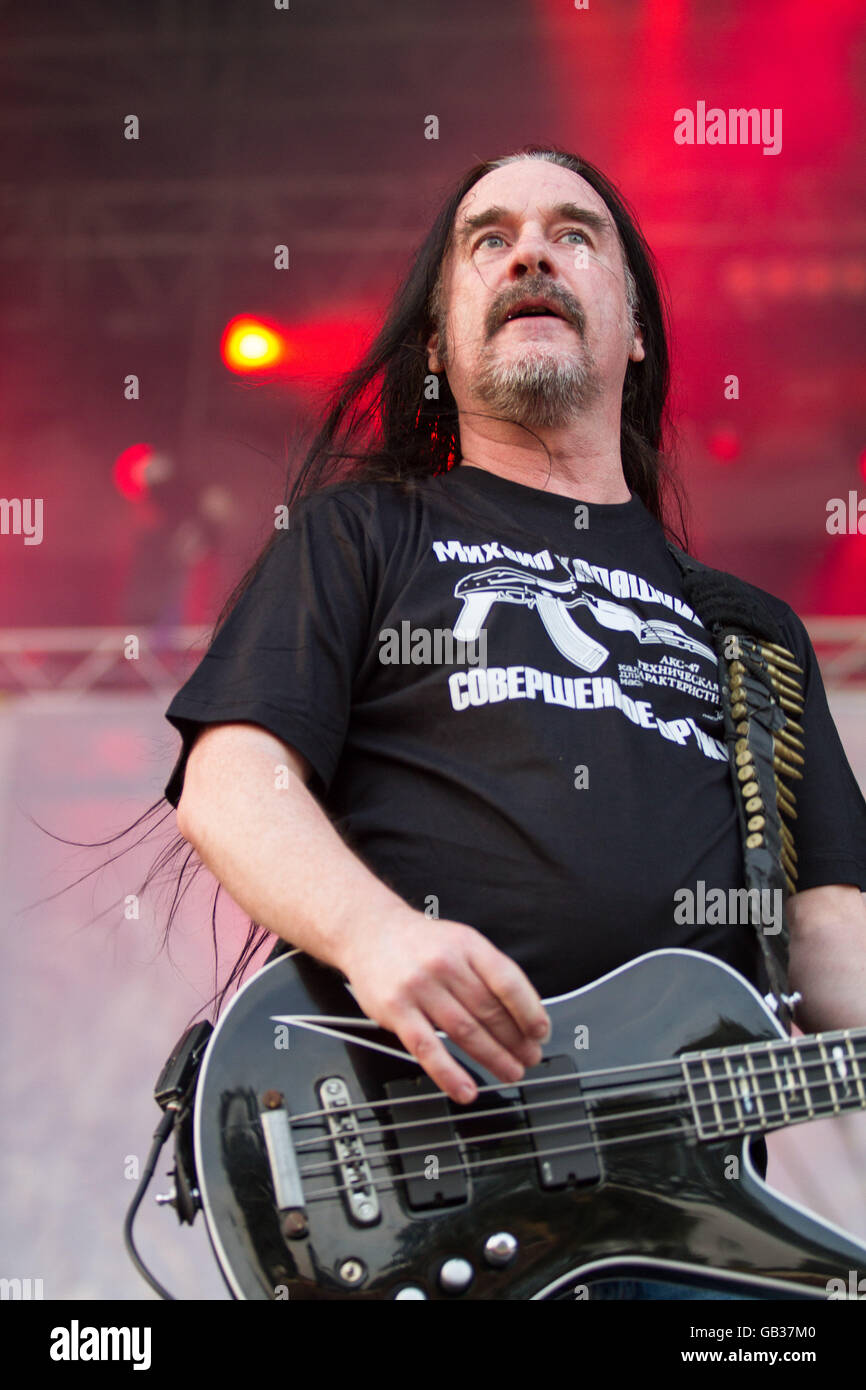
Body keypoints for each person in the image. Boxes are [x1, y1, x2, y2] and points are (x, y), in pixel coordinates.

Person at [164, 146, 866, 1301]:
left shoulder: (752, 633)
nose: (530, 250)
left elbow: (830, 933)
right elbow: (231, 778)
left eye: (573, 233)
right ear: (438, 345)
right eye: (487, 239)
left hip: (686, 1229)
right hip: (421, 1182)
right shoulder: (360, 535)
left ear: (634, 330)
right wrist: (381, 938)